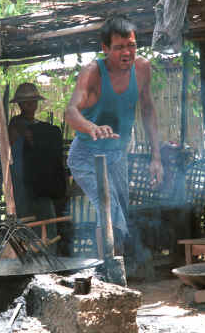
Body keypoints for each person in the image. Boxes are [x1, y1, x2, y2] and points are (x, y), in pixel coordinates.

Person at [65, 15, 163, 254]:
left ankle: (114, 269)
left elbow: (148, 110)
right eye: (119, 47)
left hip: (117, 156)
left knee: (120, 216)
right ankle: (108, 271)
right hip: (86, 156)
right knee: (107, 207)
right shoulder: (92, 73)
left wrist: (156, 157)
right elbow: (70, 112)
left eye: (131, 45)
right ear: (105, 49)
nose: (127, 52)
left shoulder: (142, 69)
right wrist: (92, 127)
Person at [9, 83, 64, 250]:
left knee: (48, 222)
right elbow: (28, 140)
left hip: (42, 183)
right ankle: (27, 261)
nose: (30, 105)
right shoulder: (16, 124)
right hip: (22, 184)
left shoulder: (43, 128)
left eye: (33, 101)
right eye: (26, 102)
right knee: (26, 223)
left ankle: (49, 260)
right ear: (19, 104)